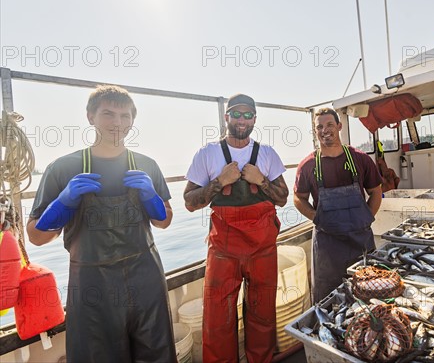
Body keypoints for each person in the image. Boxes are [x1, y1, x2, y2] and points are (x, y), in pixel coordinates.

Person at [26, 85, 177, 363]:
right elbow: (35, 236)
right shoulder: (62, 168)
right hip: (92, 285)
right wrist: (63, 202)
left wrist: (151, 196)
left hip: (146, 278)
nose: (117, 123)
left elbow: (164, 221)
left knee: (157, 353)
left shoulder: (147, 165)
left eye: (125, 116)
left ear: (133, 120)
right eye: (108, 114)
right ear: (90, 117)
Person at [183, 93, 288, 363]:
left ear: (254, 119)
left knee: (262, 314)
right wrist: (219, 181)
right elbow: (190, 202)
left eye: (247, 114)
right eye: (236, 114)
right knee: (218, 319)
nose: (242, 120)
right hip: (223, 249)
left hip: (263, 247)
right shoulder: (206, 154)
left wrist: (261, 179)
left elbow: (283, 197)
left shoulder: (267, 154)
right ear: (226, 116)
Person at [294, 108, 383, 303]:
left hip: (361, 241)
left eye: (329, 125)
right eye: (319, 127)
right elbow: (298, 198)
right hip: (327, 245)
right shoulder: (308, 165)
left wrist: (366, 217)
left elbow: (376, 191)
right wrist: (316, 218)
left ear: (339, 126)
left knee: (368, 291)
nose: (324, 130)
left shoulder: (360, 159)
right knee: (328, 299)